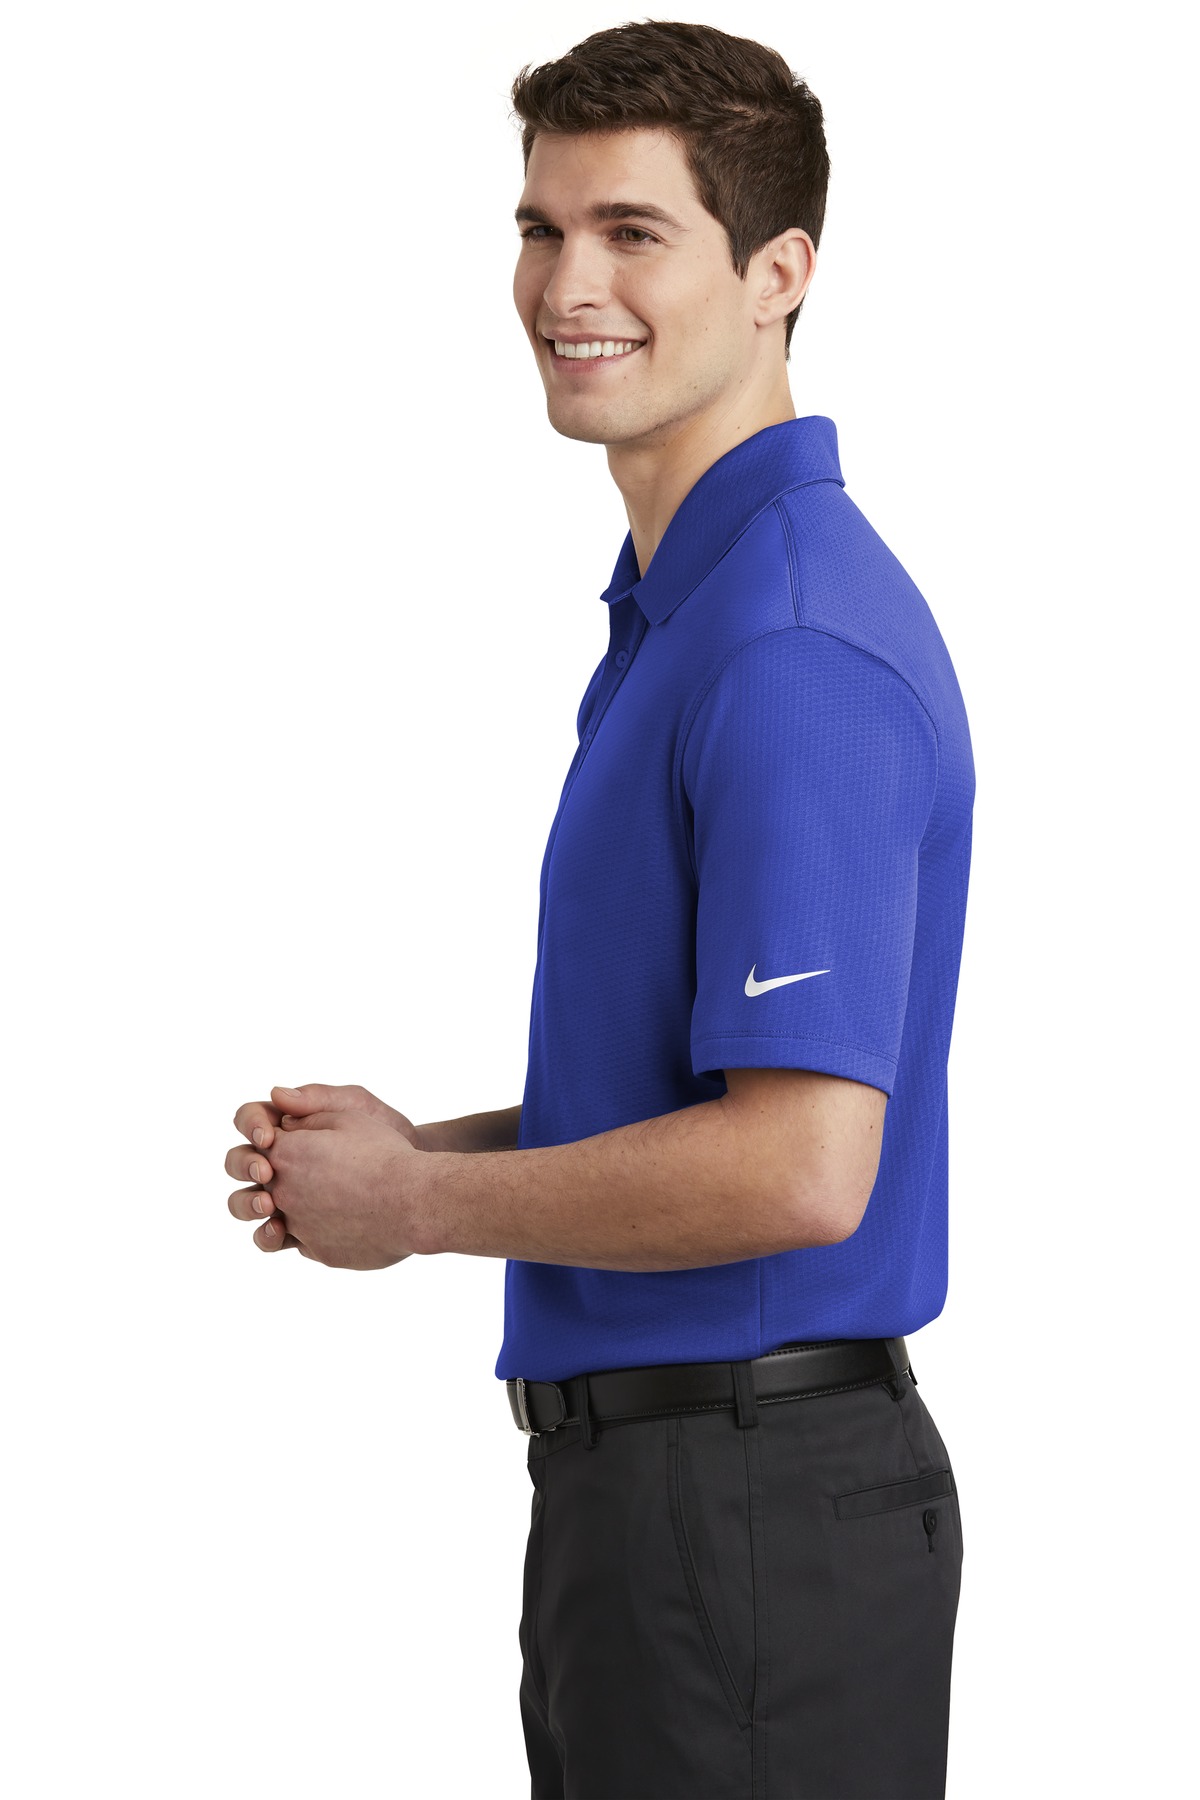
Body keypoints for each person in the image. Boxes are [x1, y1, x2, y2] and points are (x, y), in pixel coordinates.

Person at [225, 19, 974, 1798]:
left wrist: (421, 1205)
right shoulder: (685, 619)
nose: (568, 286)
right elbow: (697, 1097)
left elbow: (800, 1166)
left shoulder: (788, 646)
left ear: (779, 273)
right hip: (664, 1508)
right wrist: (422, 1148)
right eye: (542, 228)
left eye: (634, 232)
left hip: (744, 1511)